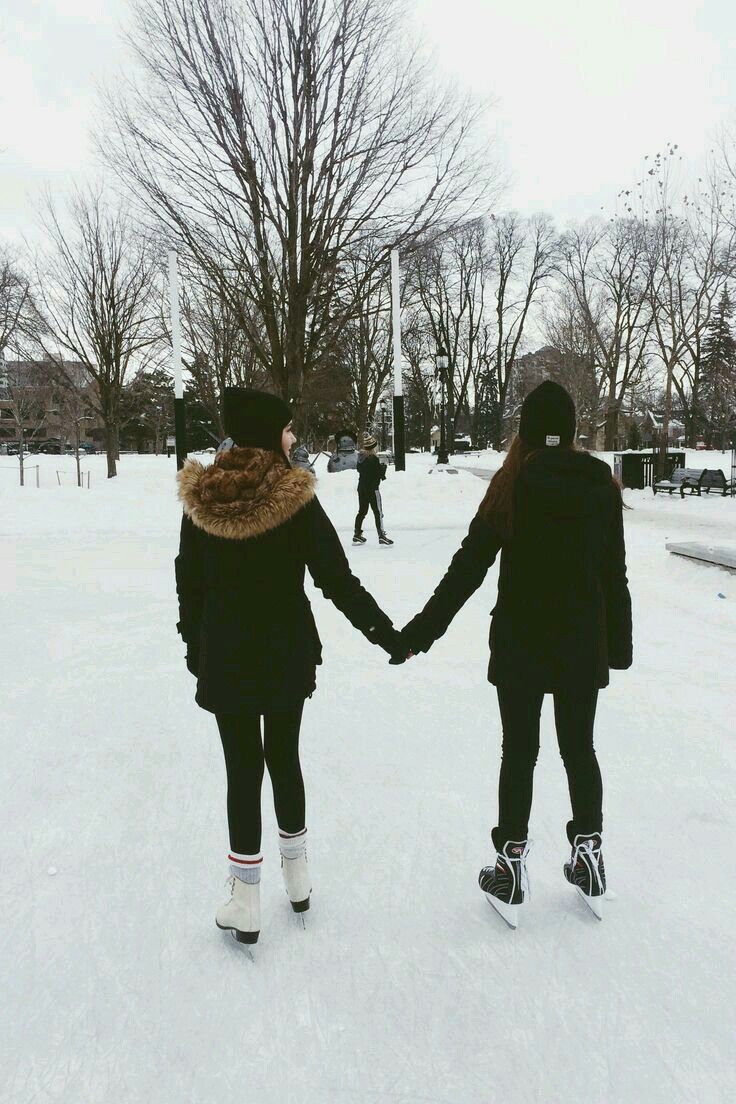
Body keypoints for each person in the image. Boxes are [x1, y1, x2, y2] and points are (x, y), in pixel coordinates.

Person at [395, 381, 632, 928]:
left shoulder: (511, 484)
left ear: (523, 431)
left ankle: (511, 864)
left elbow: (467, 568)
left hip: (522, 644)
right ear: (572, 431)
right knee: (579, 748)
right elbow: (613, 574)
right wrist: (617, 646)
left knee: (519, 752)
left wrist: (417, 634)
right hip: (579, 646)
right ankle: (589, 855)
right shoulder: (600, 485)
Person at [175, 387, 404, 945]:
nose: (293, 437)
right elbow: (336, 580)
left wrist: (194, 650)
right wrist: (386, 634)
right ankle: (297, 878)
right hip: (284, 655)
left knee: (241, 769)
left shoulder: (204, 500)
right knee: (283, 756)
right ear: (265, 433)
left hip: (226, 658)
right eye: (286, 429)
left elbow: (190, 587)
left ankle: (246, 898)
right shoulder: (296, 498)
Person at [353, 435, 393, 546]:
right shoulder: (374, 459)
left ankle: (357, 534)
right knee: (378, 512)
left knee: (362, 511)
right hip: (372, 489)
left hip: (362, 489)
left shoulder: (361, 459)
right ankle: (381, 536)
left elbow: (363, 472)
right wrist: (382, 469)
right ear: (372, 447)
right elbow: (376, 474)